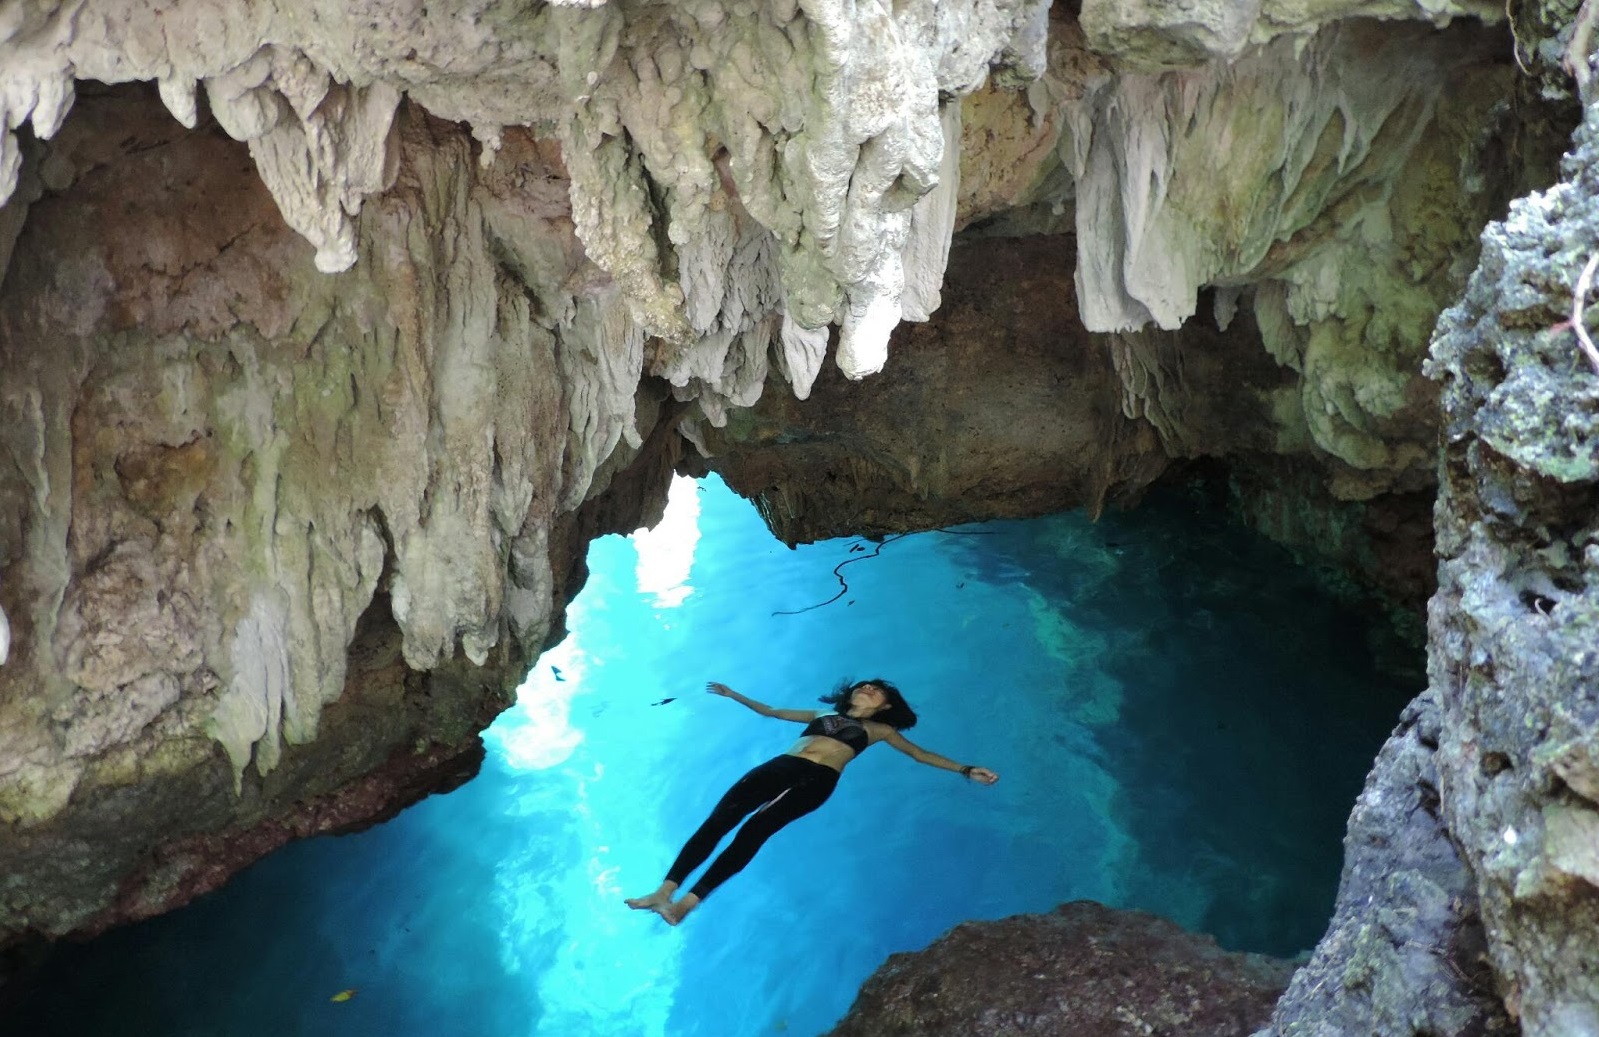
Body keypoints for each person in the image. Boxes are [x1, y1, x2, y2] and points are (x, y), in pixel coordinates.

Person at [625, 678, 999, 925]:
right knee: (717, 823)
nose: (867, 687)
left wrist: (965, 769)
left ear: (886, 705)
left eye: (876, 689)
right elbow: (772, 711)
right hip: (780, 767)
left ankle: (687, 904)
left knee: (752, 834)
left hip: (819, 781)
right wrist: (735, 695)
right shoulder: (822, 714)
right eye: (864, 684)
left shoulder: (880, 730)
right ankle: (664, 892)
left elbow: (919, 755)